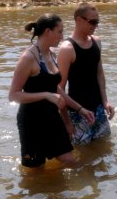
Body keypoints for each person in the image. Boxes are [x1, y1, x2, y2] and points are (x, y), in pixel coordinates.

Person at [8, 14, 77, 168]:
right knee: (36, 173)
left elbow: (56, 90)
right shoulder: (28, 58)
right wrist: (46, 95)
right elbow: (13, 95)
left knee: (70, 161)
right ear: (48, 32)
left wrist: (67, 120)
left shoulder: (51, 54)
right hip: (31, 121)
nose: (62, 36)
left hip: (52, 117)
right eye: (59, 32)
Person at [57, 3, 113, 145]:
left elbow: (99, 73)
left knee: (104, 149)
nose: (96, 26)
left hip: (98, 109)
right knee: (82, 155)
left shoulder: (97, 42)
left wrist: (105, 101)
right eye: (93, 22)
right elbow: (59, 89)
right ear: (79, 20)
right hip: (77, 113)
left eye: (97, 22)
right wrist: (66, 121)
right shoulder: (67, 49)